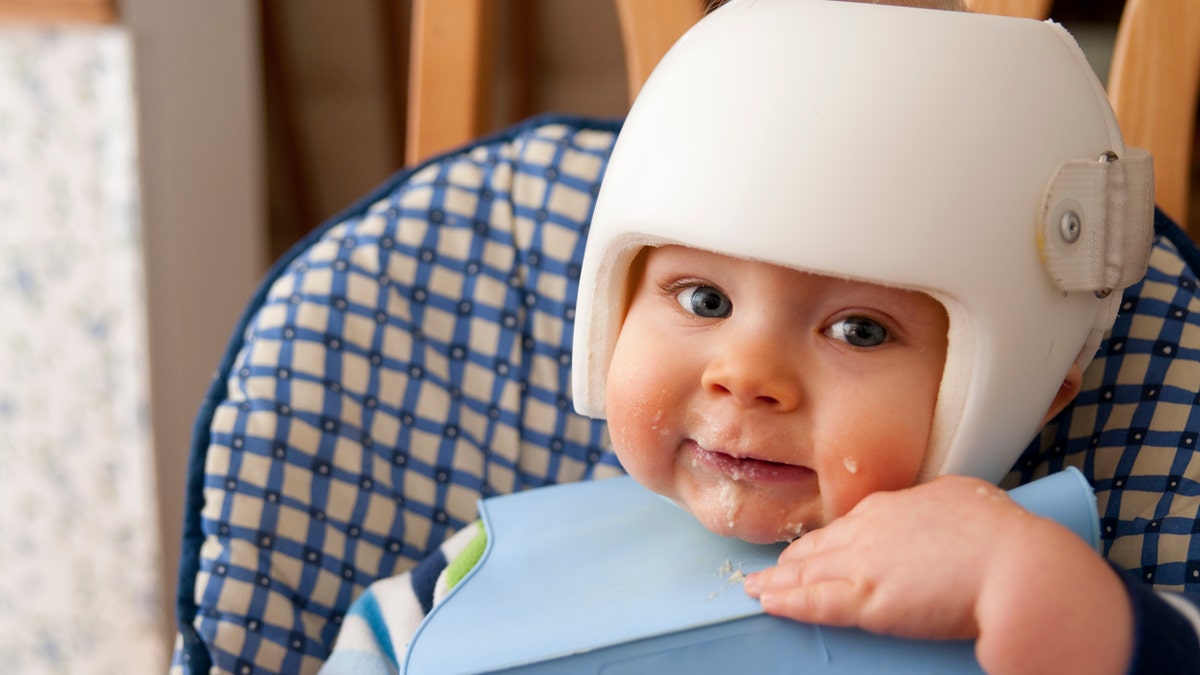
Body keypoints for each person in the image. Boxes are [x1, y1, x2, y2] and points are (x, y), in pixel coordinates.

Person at [321, 0, 1200, 672]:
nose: (746, 375)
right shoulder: (463, 583)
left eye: (858, 329)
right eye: (702, 299)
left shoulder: (1062, 595)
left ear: (1027, 385)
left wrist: (1037, 589)